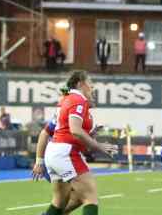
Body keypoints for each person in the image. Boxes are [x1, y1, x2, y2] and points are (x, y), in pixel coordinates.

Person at [43, 71, 117, 215]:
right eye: (90, 84)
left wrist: (90, 136)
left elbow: (70, 130)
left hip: (55, 151)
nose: (92, 87)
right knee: (90, 197)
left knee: (59, 203)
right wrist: (99, 146)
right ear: (80, 83)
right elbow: (75, 130)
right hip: (66, 153)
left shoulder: (66, 98)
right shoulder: (78, 99)